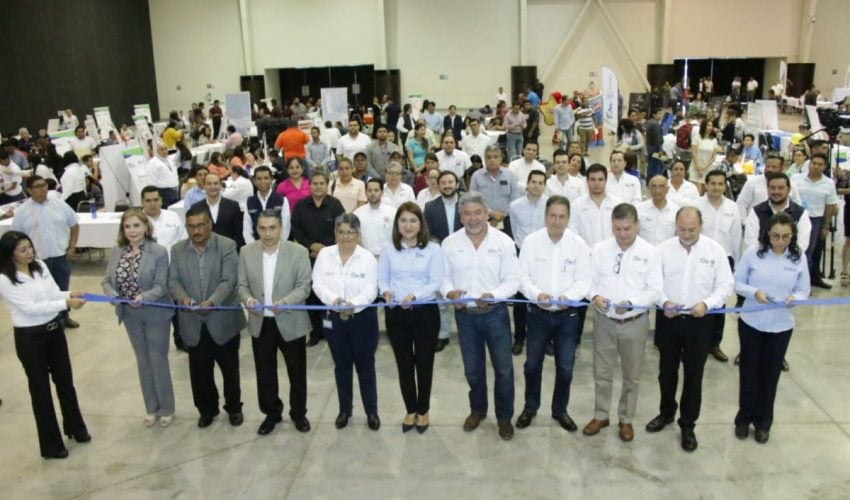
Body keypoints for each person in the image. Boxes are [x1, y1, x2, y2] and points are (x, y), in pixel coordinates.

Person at [648, 207, 733, 452]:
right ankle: (666, 413)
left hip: (699, 321)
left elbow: (725, 285)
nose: (686, 234)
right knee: (666, 371)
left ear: (701, 226)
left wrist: (706, 304)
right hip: (669, 318)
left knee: (694, 374)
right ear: (675, 226)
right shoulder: (662, 250)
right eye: (682, 229)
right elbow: (653, 283)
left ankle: (688, 424)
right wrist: (664, 302)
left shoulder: (715, 251)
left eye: (691, 230)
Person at [0, 231, 89, 459]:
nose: (29, 252)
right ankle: (51, 445)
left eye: (30, 247)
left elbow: (52, 294)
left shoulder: (39, 266)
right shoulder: (4, 279)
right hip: (30, 338)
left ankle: (75, 427)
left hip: (54, 331)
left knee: (65, 382)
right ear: (10, 254)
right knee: (41, 390)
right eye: (22, 249)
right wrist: (66, 303)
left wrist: (71, 293)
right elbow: (30, 308)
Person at [441, 192, 520, 440]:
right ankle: (478, 410)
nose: (473, 218)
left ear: (487, 214)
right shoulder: (449, 243)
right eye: (467, 213)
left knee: (504, 370)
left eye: (477, 212)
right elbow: (443, 277)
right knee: (473, 370)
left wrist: (494, 295)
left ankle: (504, 418)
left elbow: (513, 280)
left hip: (495, 314)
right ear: (460, 217)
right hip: (465, 316)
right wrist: (449, 292)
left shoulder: (504, 242)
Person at [584, 203, 662, 442]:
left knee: (632, 375)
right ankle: (601, 414)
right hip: (604, 321)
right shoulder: (599, 250)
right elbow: (588, 282)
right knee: (602, 372)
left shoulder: (650, 252)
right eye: (617, 229)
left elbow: (655, 290)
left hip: (634, 323)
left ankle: (626, 419)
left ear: (637, 225)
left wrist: (632, 303)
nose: (622, 234)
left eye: (627, 229)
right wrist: (595, 297)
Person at [515, 195, 591, 432]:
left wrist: (570, 297)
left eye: (562, 216)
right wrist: (537, 294)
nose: (557, 221)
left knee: (566, 368)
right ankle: (530, 407)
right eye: (552, 216)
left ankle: (560, 410)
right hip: (537, 314)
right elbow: (522, 277)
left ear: (568, 218)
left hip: (568, 317)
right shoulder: (531, 242)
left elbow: (584, 280)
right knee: (532, 365)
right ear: (545, 216)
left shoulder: (578, 245)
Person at [733, 212, 810, 444]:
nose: (780, 241)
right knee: (749, 373)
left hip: (781, 326)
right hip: (752, 322)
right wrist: (754, 292)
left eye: (786, 237)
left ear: (792, 236)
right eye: (775, 236)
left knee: (770, 375)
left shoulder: (798, 257)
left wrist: (795, 298)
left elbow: (804, 289)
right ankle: (743, 419)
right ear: (767, 233)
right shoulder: (753, 253)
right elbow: (737, 282)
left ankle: (763, 423)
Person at [168, 203, 246, 428]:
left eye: (201, 225)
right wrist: (183, 298)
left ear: (210, 224)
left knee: (230, 370)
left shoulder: (227, 245)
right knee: (200, 371)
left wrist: (211, 302)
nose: (196, 231)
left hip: (223, 321)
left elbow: (229, 280)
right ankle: (207, 410)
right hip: (192, 321)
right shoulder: (178, 250)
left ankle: (234, 408)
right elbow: (173, 280)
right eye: (191, 226)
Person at [238, 209, 312, 435]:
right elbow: (241, 285)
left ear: (281, 228)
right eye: (262, 228)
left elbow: (304, 286)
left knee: (297, 372)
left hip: (291, 321)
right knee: (265, 372)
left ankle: (298, 413)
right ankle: (271, 414)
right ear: (256, 229)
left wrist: (285, 302)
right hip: (261, 323)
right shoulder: (246, 252)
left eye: (272, 228)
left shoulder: (298, 252)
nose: (267, 233)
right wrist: (248, 300)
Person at [101, 209, 175, 428]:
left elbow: (161, 285)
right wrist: (113, 295)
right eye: (127, 226)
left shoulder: (158, 252)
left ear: (146, 227)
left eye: (136, 225)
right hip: (129, 315)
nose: (132, 231)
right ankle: (151, 408)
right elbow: (106, 280)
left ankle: (167, 408)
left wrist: (144, 297)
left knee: (157, 360)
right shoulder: (117, 251)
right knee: (142, 361)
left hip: (155, 313)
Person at [311, 213, 382, 430]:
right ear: (335, 233)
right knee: (341, 367)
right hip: (334, 319)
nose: (346, 237)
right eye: (341, 232)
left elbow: (372, 288)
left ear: (358, 234)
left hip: (363, 320)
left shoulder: (368, 258)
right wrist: (334, 300)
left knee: (365, 367)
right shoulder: (325, 255)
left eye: (351, 232)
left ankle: (371, 411)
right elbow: (317, 284)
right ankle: (345, 410)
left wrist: (354, 304)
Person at [377, 203, 443, 432]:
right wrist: (386, 291)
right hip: (396, 313)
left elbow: (435, 282)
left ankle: (423, 410)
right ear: (397, 224)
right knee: (404, 364)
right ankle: (410, 409)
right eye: (403, 220)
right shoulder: (388, 249)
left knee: (424, 363)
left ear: (420, 224)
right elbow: (382, 278)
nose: (408, 225)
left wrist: (414, 296)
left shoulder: (433, 249)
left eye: (413, 221)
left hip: (425, 312)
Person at [12, 176, 81, 328]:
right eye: (38, 186)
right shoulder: (22, 211)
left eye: (44, 185)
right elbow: (16, 236)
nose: (43, 189)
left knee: (62, 289)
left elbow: (74, 225)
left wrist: (72, 246)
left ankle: (64, 317)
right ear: (29, 190)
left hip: (60, 257)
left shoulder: (59, 204)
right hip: (36, 261)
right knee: (43, 292)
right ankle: (51, 321)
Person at [292, 171, 346, 346]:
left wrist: (323, 248)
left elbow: (341, 228)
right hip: (307, 256)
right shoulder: (300, 206)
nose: (318, 186)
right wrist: (311, 246)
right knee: (311, 295)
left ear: (327, 185)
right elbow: (296, 230)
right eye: (314, 183)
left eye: (321, 183)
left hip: (330, 255)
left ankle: (332, 330)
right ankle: (315, 332)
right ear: (309, 185)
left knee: (330, 291)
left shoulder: (335, 205)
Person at [694, 170, 741, 362]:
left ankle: (714, 343)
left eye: (720, 184)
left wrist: (737, 263)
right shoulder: (696, 206)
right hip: (699, 258)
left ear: (725, 186)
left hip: (724, 259)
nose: (716, 187)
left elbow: (736, 236)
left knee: (719, 302)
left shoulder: (732, 207)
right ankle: (696, 343)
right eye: (712, 183)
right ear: (706, 185)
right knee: (698, 298)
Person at [508, 170, 548, 355]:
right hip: (521, 254)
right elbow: (514, 229)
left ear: (544, 186)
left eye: (541, 183)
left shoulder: (550, 204)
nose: (537, 185)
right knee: (521, 301)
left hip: (544, 255)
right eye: (534, 182)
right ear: (528, 183)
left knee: (542, 298)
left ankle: (545, 339)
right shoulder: (515, 206)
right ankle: (519, 338)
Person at [423, 170, 463, 352]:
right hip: (440, 257)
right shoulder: (430, 207)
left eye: (450, 182)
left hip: (464, 257)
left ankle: (467, 334)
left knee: (464, 296)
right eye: (444, 183)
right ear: (438, 185)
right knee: (442, 300)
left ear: (457, 184)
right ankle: (443, 334)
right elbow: (427, 233)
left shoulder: (466, 203)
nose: (447, 186)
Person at [791, 153, 838, 289]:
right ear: (809, 163)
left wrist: (826, 226)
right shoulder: (796, 178)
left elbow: (830, 206)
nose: (816, 166)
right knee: (795, 249)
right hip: (796, 217)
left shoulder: (829, 183)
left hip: (816, 219)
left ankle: (807, 281)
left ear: (825, 167)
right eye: (814, 163)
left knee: (810, 251)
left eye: (820, 164)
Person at [470, 145, 521, 236]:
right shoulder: (476, 176)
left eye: (495, 157)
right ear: (484, 159)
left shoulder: (510, 175)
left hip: (506, 219)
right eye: (489, 157)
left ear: (501, 159)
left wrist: (503, 214)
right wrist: (490, 212)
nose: (492, 160)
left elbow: (515, 197)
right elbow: (473, 199)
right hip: (482, 218)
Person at [570, 164, 622, 248]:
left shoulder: (617, 203)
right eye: (593, 179)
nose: (596, 183)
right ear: (587, 181)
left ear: (606, 181)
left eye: (600, 179)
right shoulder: (576, 205)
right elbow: (574, 232)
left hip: (612, 251)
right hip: (585, 252)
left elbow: (621, 231)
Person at [198, 173, 245, 249]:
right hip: (205, 251)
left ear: (220, 185)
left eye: (216, 183)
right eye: (209, 184)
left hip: (229, 250)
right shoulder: (197, 208)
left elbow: (239, 232)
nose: (212, 187)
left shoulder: (233, 206)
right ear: (204, 186)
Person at [353, 178, 396, 258]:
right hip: (364, 258)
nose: (373, 193)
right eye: (369, 190)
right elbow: (355, 238)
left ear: (382, 192)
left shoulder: (392, 212)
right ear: (365, 192)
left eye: (376, 190)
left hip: (388, 257)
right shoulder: (357, 214)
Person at [638, 175, 679, 245]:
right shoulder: (638, 209)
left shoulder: (676, 211)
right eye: (653, 186)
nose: (657, 190)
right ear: (648, 188)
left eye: (661, 186)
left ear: (667, 189)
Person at [689, 119, 719, 191]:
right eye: (708, 125)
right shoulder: (697, 138)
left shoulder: (714, 140)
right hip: (696, 167)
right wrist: (698, 167)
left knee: (704, 191)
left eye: (711, 126)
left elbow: (713, 157)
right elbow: (693, 153)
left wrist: (704, 167)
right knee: (696, 191)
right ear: (704, 126)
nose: (710, 127)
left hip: (707, 168)